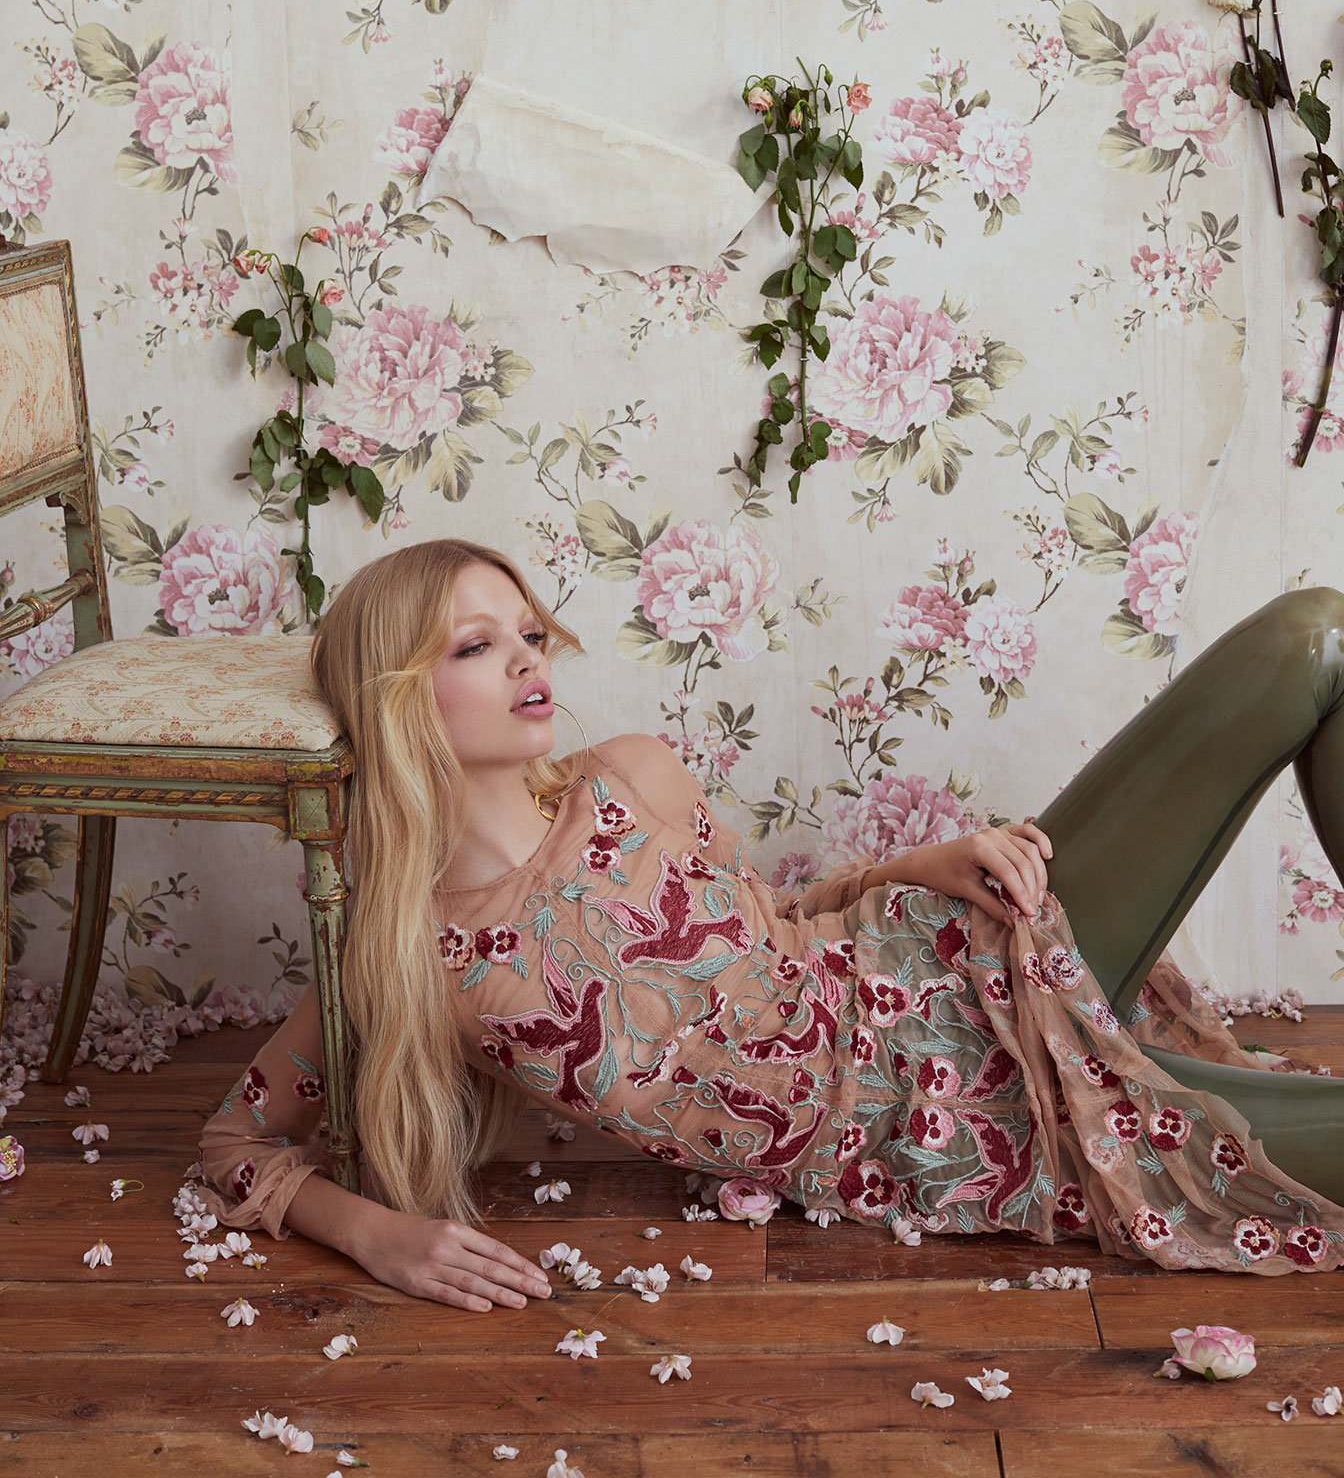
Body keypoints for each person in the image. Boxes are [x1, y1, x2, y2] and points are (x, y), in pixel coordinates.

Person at [197, 538, 1344, 1310]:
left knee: (1310, 638)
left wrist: (922, 864)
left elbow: (773, 922)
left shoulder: (632, 775)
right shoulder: (406, 957)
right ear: (398, 696)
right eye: (475, 645)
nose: (527, 659)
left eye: (529, 632)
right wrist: (374, 1234)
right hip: (943, 1130)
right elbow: (230, 1146)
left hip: (969, 951)